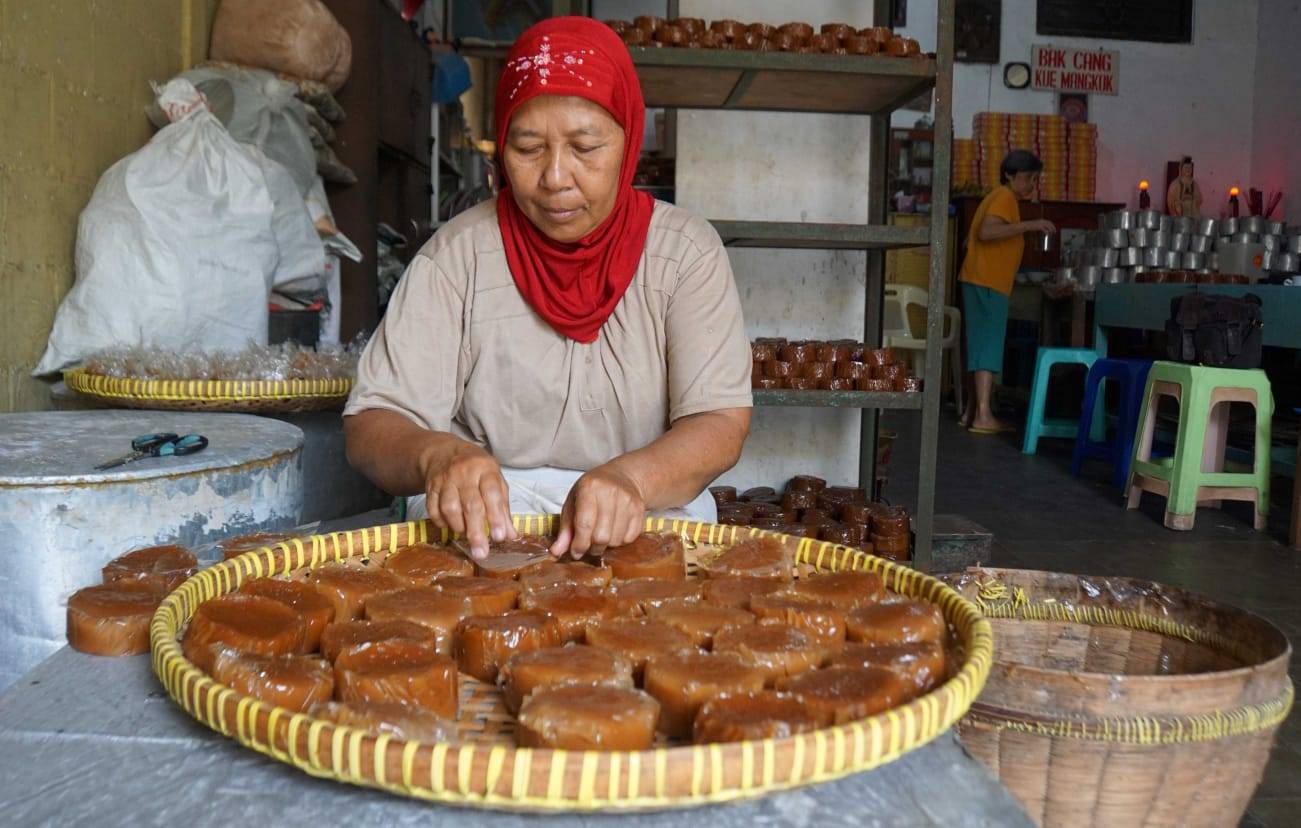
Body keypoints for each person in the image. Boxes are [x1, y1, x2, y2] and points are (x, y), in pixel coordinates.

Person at [343, 17, 752, 561]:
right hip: (486, 523)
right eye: (529, 147)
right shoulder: (457, 256)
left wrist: (631, 480)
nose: (556, 177)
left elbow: (721, 422)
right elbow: (371, 423)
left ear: (629, 139)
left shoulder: (685, 255)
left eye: (585, 147)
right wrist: (436, 457)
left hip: (648, 506)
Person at [957, 149, 1055, 434]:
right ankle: (984, 415)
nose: (1030, 184)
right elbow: (986, 233)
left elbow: (971, 240)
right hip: (988, 283)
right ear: (1010, 176)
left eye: (1034, 179)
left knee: (978, 346)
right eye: (1026, 178)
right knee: (987, 347)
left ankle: (971, 412)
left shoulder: (996, 197)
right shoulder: (1004, 197)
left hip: (980, 280)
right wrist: (1031, 225)